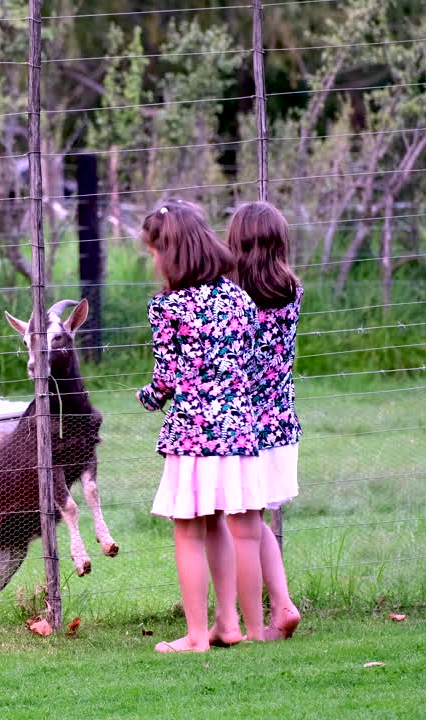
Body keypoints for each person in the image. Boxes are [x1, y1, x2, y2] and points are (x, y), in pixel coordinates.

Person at [136, 200, 267, 652]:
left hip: (194, 430)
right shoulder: (239, 297)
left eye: (153, 251)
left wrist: (149, 396)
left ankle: (195, 636)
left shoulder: (168, 307)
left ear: (169, 252)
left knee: (189, 529)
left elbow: (169, 376)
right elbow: (249, 361)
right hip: (238, 428)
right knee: (220, 525)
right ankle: (227, 624)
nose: (152, 261)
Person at [226, 200, 303, 641]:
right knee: (255, 523)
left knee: (241, 527)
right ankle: (283, 606)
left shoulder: (233, 297)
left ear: (236, 242)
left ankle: (249, 623)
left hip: (242, 426)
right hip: (282, 424)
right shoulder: (292, 290)